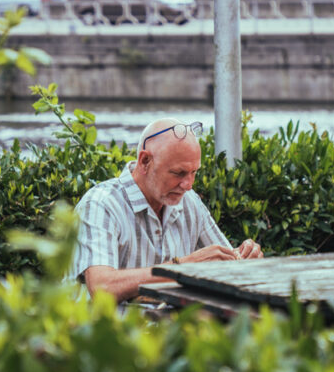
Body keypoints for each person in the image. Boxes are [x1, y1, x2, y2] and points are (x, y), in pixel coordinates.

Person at [71, 118, 263, 302]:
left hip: (169, 329)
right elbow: (102, 287)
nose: (188, 184)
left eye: (194, 172)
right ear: (145, 161)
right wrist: (184, 268)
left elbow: (226, 264)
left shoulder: (189, 201)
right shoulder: (100, 204)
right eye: (178, 173)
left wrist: (244, 258)